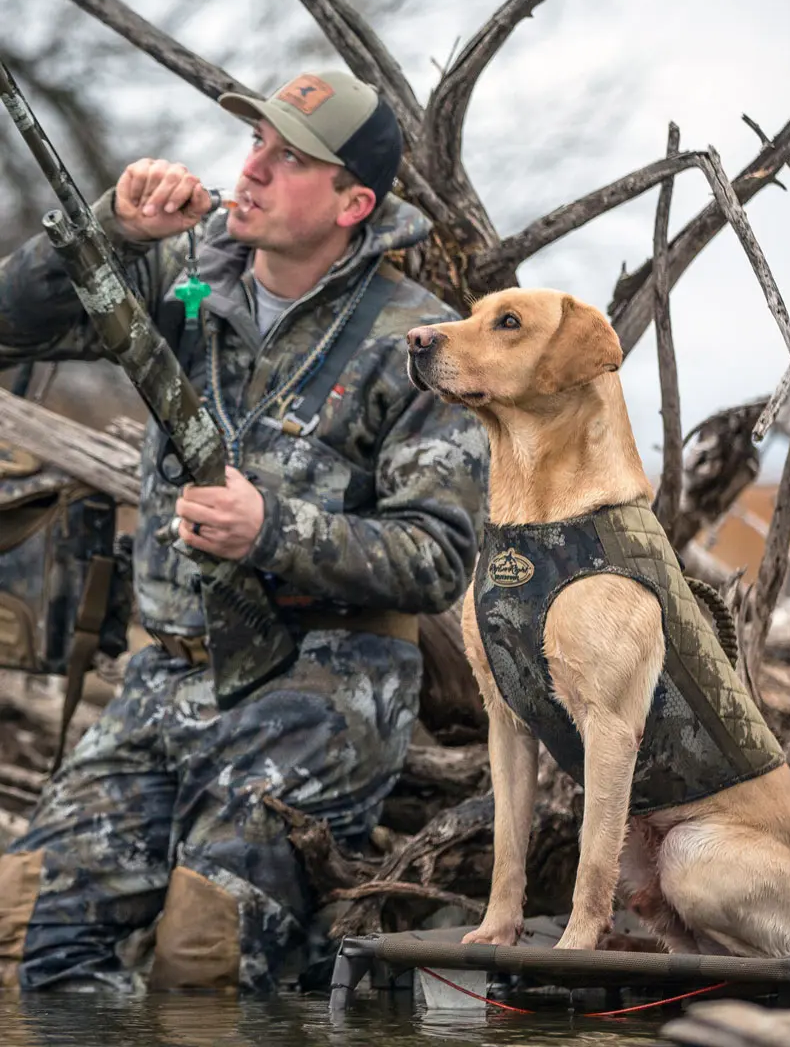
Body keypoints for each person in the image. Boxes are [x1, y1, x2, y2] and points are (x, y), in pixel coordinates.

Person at [0, 70, 488, 994]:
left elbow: (438, 558)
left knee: (206, 958)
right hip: (165, 678)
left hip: (322, 690)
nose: (253, 169)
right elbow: (7, 325)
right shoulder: (181, 279)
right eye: (256, 143)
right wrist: (112, 228)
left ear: (353, 204)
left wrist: (272, 531)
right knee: (23, 938)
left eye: (290, 157)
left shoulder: (417, 341)